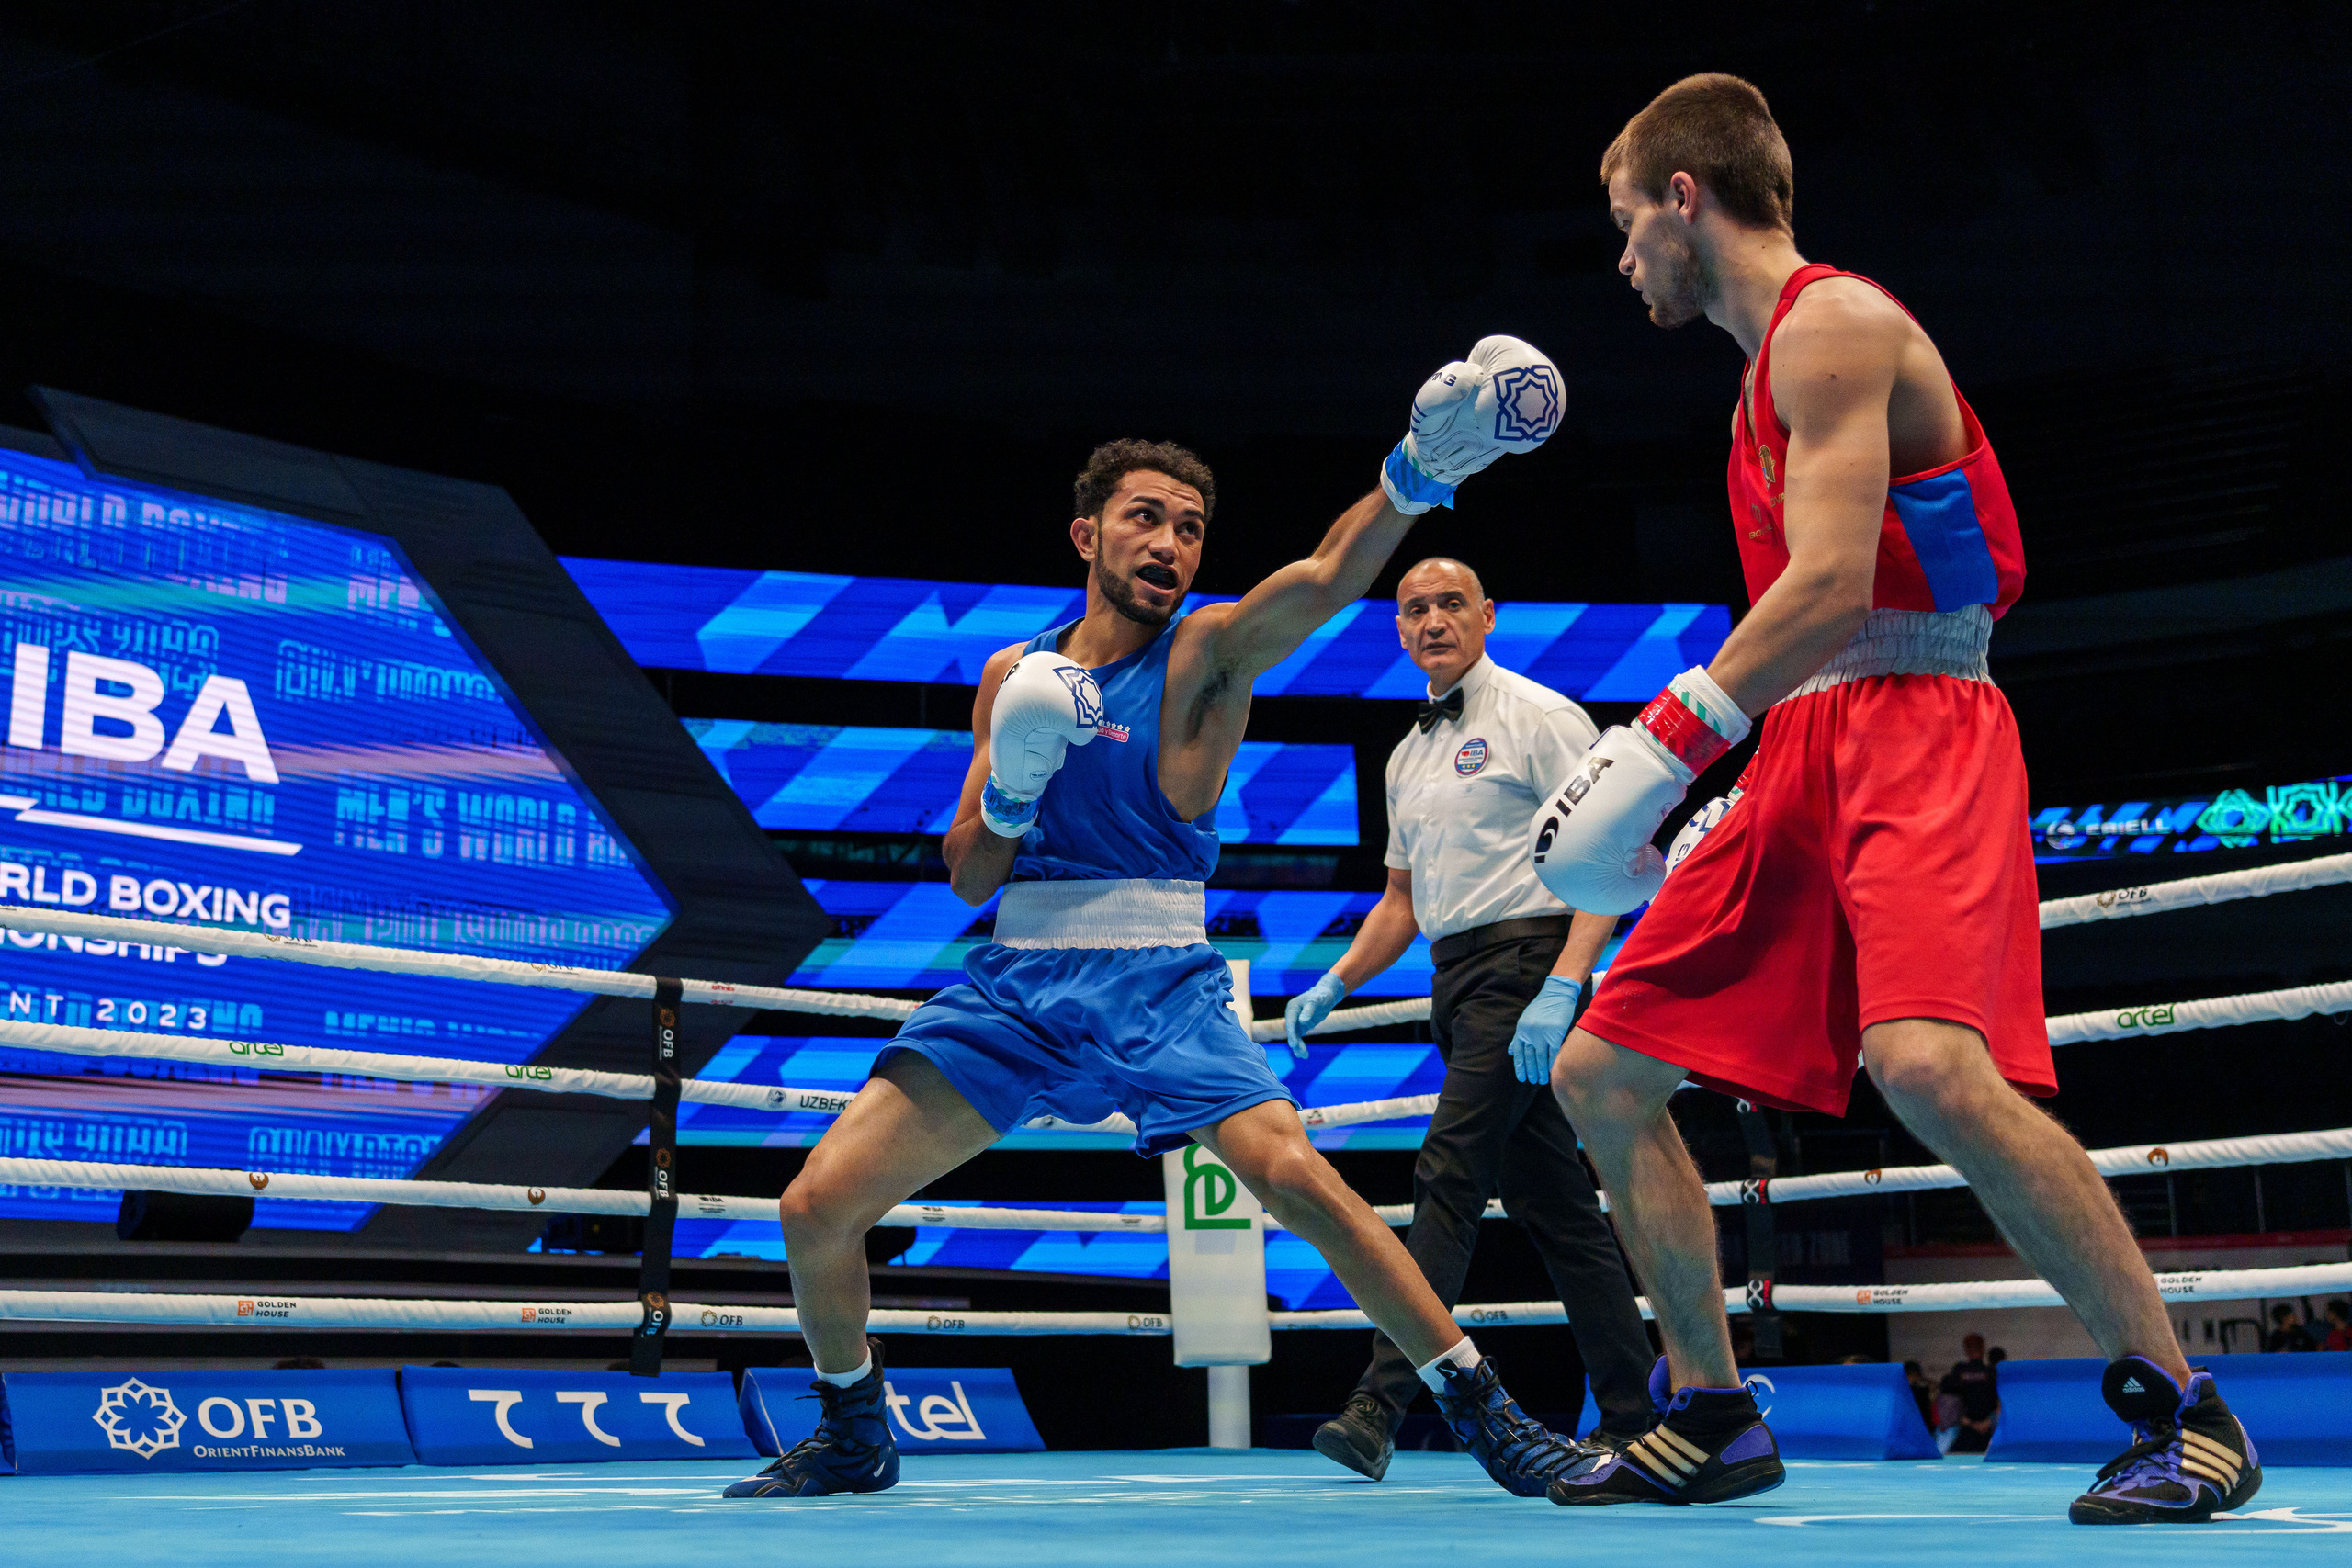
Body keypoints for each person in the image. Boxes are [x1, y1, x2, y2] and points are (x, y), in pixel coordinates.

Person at [1533, 73, 2262, 1525]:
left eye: (1627, 222)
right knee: (1601, 1073)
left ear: (1687, 197)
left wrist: (1666, 737)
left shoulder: (1838, 328)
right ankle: (1715, 1409)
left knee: (1927, 1062)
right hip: (1804, 735)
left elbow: (1829, 585)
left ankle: (2187, 1410)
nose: (1621, 260)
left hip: (1919, 715)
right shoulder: (1755, 383)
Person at [726, 340, 1594, 1500]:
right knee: (815, 1206)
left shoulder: (1206, 650)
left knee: (1298, 1178)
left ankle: (1484, 1410)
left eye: (1189, 527)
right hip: (1016, 981)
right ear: (1087, 534)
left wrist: (1411, 474)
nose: (1171, 546)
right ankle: (853, 1427)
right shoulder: (1010, 675)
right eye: (1146, 519)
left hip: (1157, 978)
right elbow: (968, 875)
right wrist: (1016, 787)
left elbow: (1331, 577)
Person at [1286, 556, 1656, 1480]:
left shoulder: (1539, 717)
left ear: (1488, 615)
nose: (1433, 620)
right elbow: (1399, 903)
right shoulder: (1406, 754)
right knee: (1556, 1208)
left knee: (1447, 1171)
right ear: (1400, 630)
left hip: (1527, 965)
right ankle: (1631, 1413)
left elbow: (1609, 858)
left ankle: (1380, 1402)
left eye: (1450, 603)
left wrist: (1566, 983)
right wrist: (1335, 981)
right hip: (1457, 981)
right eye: (1414, 609)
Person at [1941, 1334, 2000, 1453]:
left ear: (1966, 1349)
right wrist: (1987, 1422)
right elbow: (2001, 1402)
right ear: (1983, 1348)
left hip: (1966, 1428)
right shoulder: (1991, 1373)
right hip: (1987, 1428)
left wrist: (1970, 1423)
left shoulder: (1959, 1372)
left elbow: (1948, 1403)